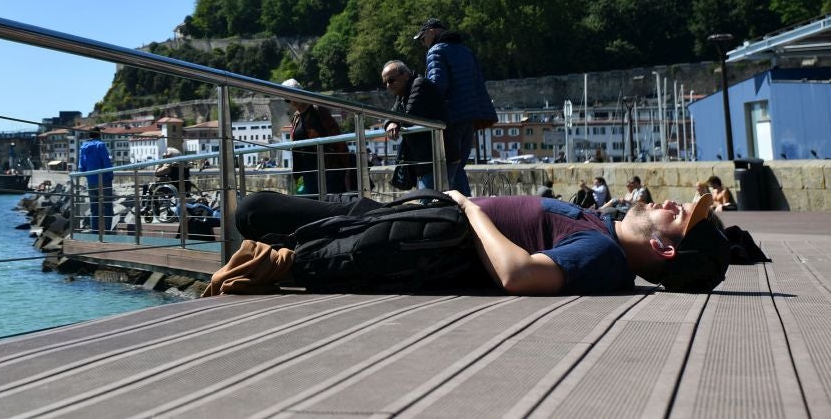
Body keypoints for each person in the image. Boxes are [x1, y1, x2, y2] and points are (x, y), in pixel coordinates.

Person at [230, 189, 732, 295]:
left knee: (253, 211)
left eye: (680, 216)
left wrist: (470, 209)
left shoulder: (602, 254)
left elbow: (518, 274)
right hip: (416, 216)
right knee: (260, 211)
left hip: (426, 230)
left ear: (665, 250)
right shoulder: (603, 232)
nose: (670, 202)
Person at [414, 19, 495, 196]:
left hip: (450, 118)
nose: (422, 43)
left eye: (422, 38)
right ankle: (467, 210)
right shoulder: (466, 51)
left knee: (447, 168)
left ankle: (441, 210)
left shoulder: (436, 51)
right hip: (471, 116)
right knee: (458, 167)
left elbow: (438, 85)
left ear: (432, 32)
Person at [380, 59, 445, 189]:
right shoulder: (403, 93)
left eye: (391, 80)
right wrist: (389, 123)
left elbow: (410, 118)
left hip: (435, 156)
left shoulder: (419, 85)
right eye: (385, 82)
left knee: (427, 203)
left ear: (405, 75)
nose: (388, 85)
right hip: (428, 158)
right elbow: (391, 114)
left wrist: (395, 121)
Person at [281, 79, 350, 196]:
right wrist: (297, 175)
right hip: (306, 172)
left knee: (329, 205)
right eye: (288, 99)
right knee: (310, 206)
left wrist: (347, 169)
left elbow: (338, 139)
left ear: (300, 92)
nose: (292, 101)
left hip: (327, 169)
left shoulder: (318, 111)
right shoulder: (296, 117)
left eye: (293, 95)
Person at [77, 129, 114, 231]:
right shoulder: (100, 145)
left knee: (94, 208)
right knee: (107, 206)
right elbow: (106, 161)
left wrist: (88, 175)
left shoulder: (83, 147)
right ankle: (106, 231)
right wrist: (111, 175)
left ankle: (95, 230)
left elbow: (81, 166)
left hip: (91, 180)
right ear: (99, 134)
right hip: (104, 179)